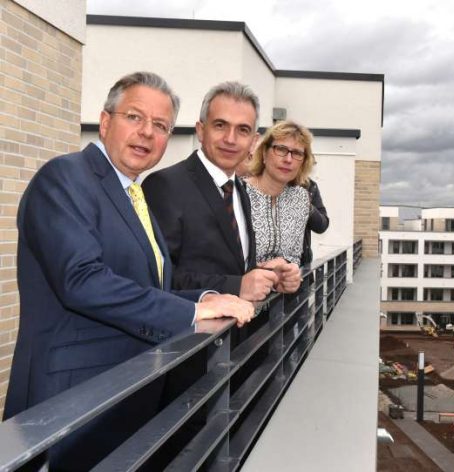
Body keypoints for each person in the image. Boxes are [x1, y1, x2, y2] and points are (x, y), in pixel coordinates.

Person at [3, 72, 254, 470]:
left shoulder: (132, 193)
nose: (146, 133)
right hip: (73, 402)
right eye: (134, 117)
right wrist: (188, 314)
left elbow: (146, 287)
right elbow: (82, 281)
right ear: (105, 122)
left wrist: (207, 299)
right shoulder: (65, 178)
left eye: (160, 126)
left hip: (126, 397)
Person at [143, 82, 301, 300]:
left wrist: (270, 277)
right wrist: (237, 286)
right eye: (220, 125)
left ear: (254, 142)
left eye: (243, 130)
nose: (230, 139)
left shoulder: (240, 190)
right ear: (200, 130)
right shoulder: (164, 186)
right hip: (195, 332)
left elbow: (233, 265)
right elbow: (156, 277)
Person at [244, 121, 315, 268]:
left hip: (283, 290)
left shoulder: (300, 198)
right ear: (264, 153)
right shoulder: (238, 193)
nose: (288, 159)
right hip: (240, 289)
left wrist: (286, 263)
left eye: (297, 153)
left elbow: (295, 256)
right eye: (281, 149)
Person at [300, 177, 330, 266]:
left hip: (302, 265)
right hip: (265, 268)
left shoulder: (310, 186)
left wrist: (309, 208)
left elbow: (321, 226)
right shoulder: (261, 184)